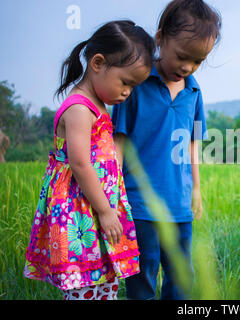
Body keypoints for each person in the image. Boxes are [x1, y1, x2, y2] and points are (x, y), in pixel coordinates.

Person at [23, 20, 156, 300]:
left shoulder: (97, 104)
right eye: (125, 82)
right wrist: (106, 211)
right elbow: (80, 163)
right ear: (98, 63)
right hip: (81, 210)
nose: (127, 92)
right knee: (84, 281)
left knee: (102, 278)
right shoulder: (80, 108)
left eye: (133, 87)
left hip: (94, 205)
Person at [112, 0, 221, 300]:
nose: (187, 67)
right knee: (143, 273)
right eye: (182, 56)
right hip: (139, 202)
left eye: (198, 61)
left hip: (179, 203)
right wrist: (114, 195)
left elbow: (192, 144)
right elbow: (118, 141)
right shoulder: (136, 86)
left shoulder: (194, 92)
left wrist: (196, 189)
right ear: (160, 39)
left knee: (180, 276)